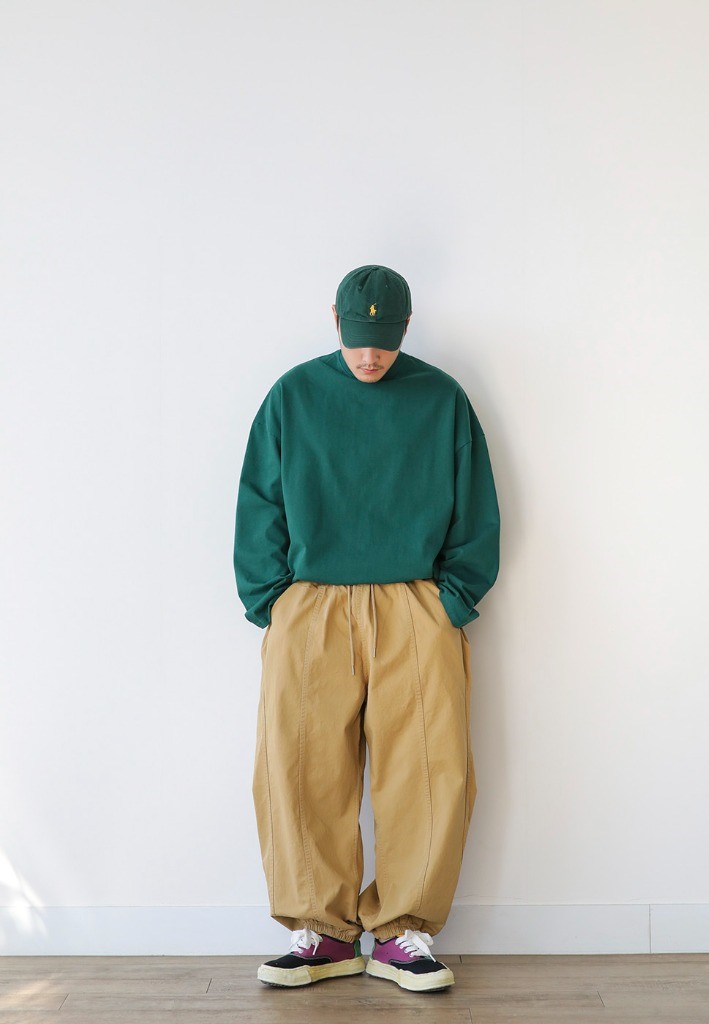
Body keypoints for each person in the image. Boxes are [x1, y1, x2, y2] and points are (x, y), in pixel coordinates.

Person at [233, 264, 500, 993]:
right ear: (335, 320)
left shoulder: (440, 397)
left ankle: (404, 933)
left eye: (382, 341)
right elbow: (259, 499)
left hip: (415, 601)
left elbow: (476, 502)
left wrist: (451, 599)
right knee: (299, 764)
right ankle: (321, 933)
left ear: (406, 327)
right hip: (311, 603)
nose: (369, 355)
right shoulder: (294, 394)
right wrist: (271, 601)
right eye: (357, 340)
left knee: (428, 768)